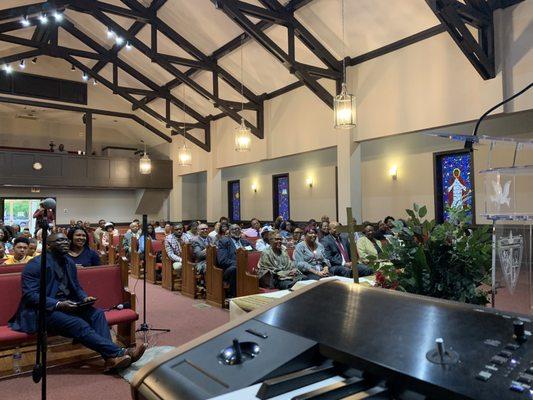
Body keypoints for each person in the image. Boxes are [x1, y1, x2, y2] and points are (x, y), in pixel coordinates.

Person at [8, 233, 145, 373]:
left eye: (66, 240)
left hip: (69, 304)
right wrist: (59, 304)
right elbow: (30, 295)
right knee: (78, 324)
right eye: (60, 240)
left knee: (97, 314)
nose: (65, 242)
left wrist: (84, 298)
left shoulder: (68, 262)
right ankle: (120, 352)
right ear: (48, 245)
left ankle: (110, 359)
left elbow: (76, 286)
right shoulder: (35, 265)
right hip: (44, 310)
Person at [217, 224, 253, 298]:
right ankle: (233, 296)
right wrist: (239, 263)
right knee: (235, 269)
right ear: (229, 232)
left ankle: (252, 293)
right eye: (234, 229)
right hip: (229, 269)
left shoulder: (245, 242)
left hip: (246, 266)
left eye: (238, 229)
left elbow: (254, 253)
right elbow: (222, 260)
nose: (237, 231)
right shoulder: (224, 242)